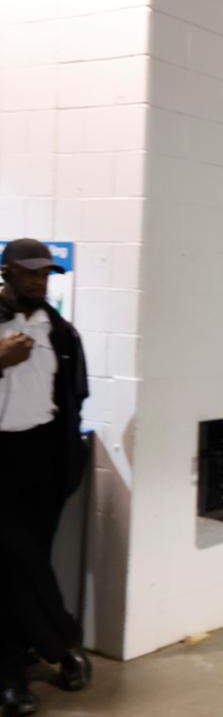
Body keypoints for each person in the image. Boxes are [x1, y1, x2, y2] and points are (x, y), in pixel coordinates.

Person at [0, 239, 92, 716]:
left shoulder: (60, 332)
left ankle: (31, 655)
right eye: (30, 272)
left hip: (43, 461)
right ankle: (57, 647)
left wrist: (68, 464)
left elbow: (74, 398)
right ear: (7, 271)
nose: (39, 280)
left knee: (27, 561)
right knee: (15, 559)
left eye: (46, 274)